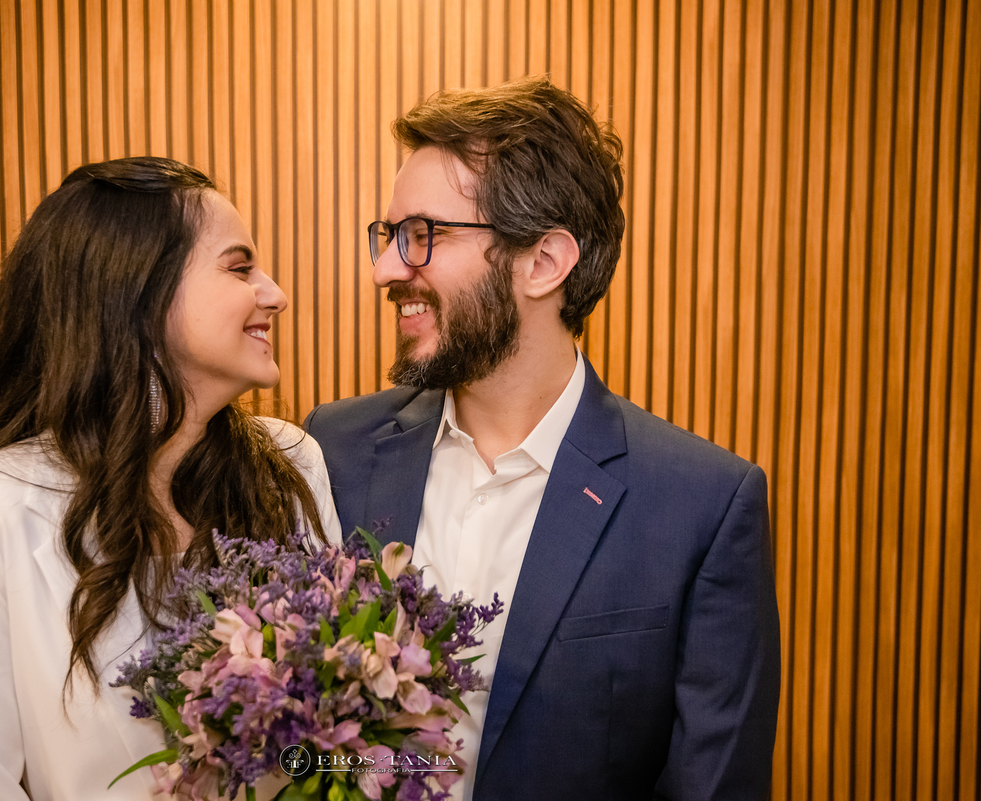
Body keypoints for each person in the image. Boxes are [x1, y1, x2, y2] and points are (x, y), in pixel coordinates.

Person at [304, 78, 781, 800]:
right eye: (389, 236)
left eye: (422, 235)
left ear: (544, 262)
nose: (386, 269)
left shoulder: (702, 507)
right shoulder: (331, 450)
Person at [0, 157, 341, 800]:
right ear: (139, 292)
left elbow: (333, 747)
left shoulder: (291, 465)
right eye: (239, 267)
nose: (274, 294)